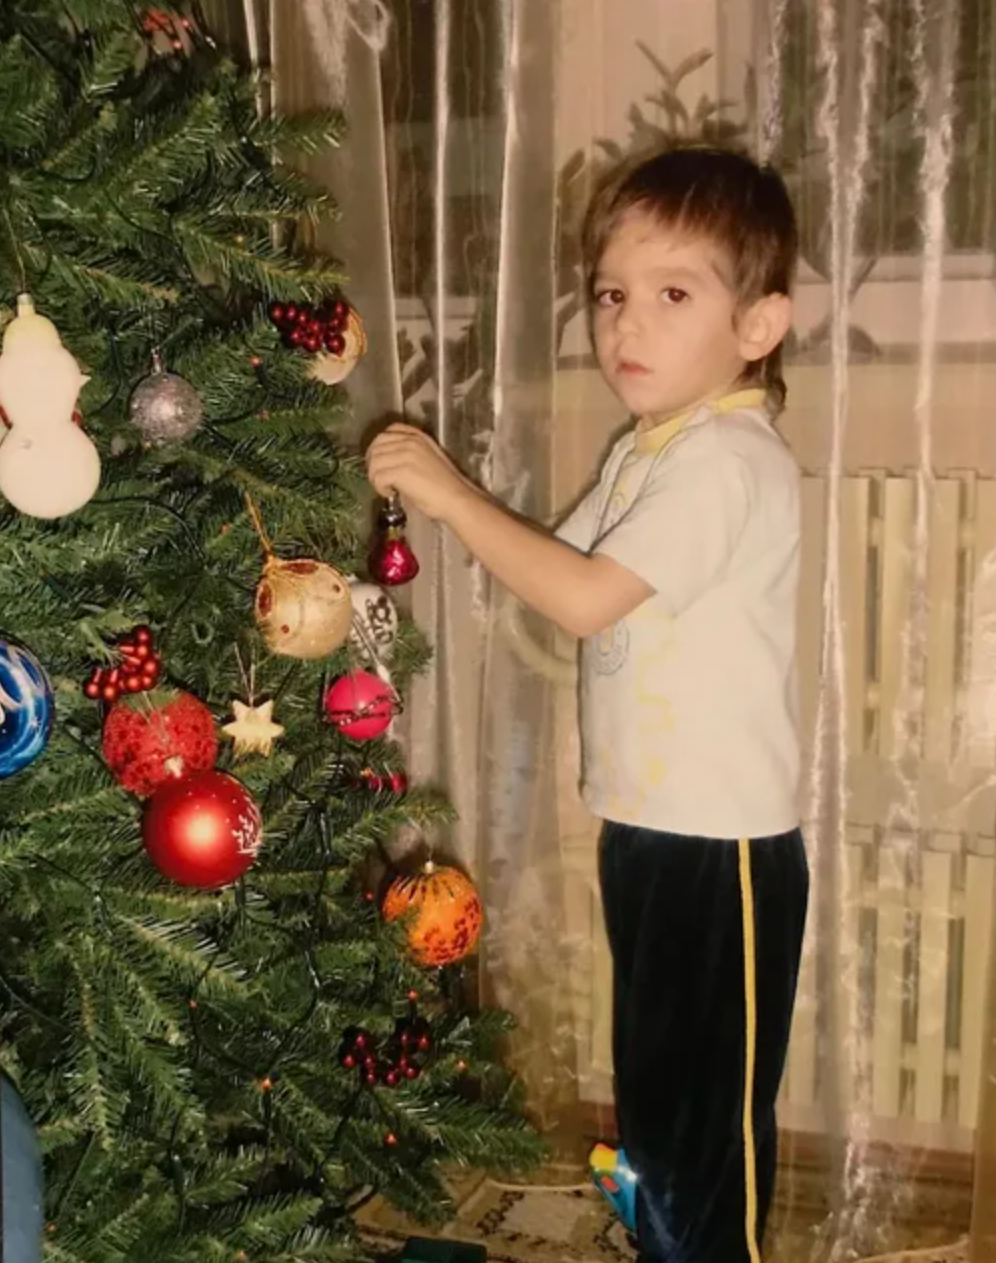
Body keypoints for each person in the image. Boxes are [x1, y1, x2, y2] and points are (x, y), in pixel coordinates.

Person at [366, 143, 810, 1263]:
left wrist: (450, 494)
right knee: (660, 1104)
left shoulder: (724, 460)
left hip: (722, 847)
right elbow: (554, 568)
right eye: (611, 295)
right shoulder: (648, 451)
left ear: (759, 325)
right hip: (651, 828)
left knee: (706, 1127)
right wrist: (444, 515)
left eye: (673, 295)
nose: (627, 324)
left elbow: (582, 597)